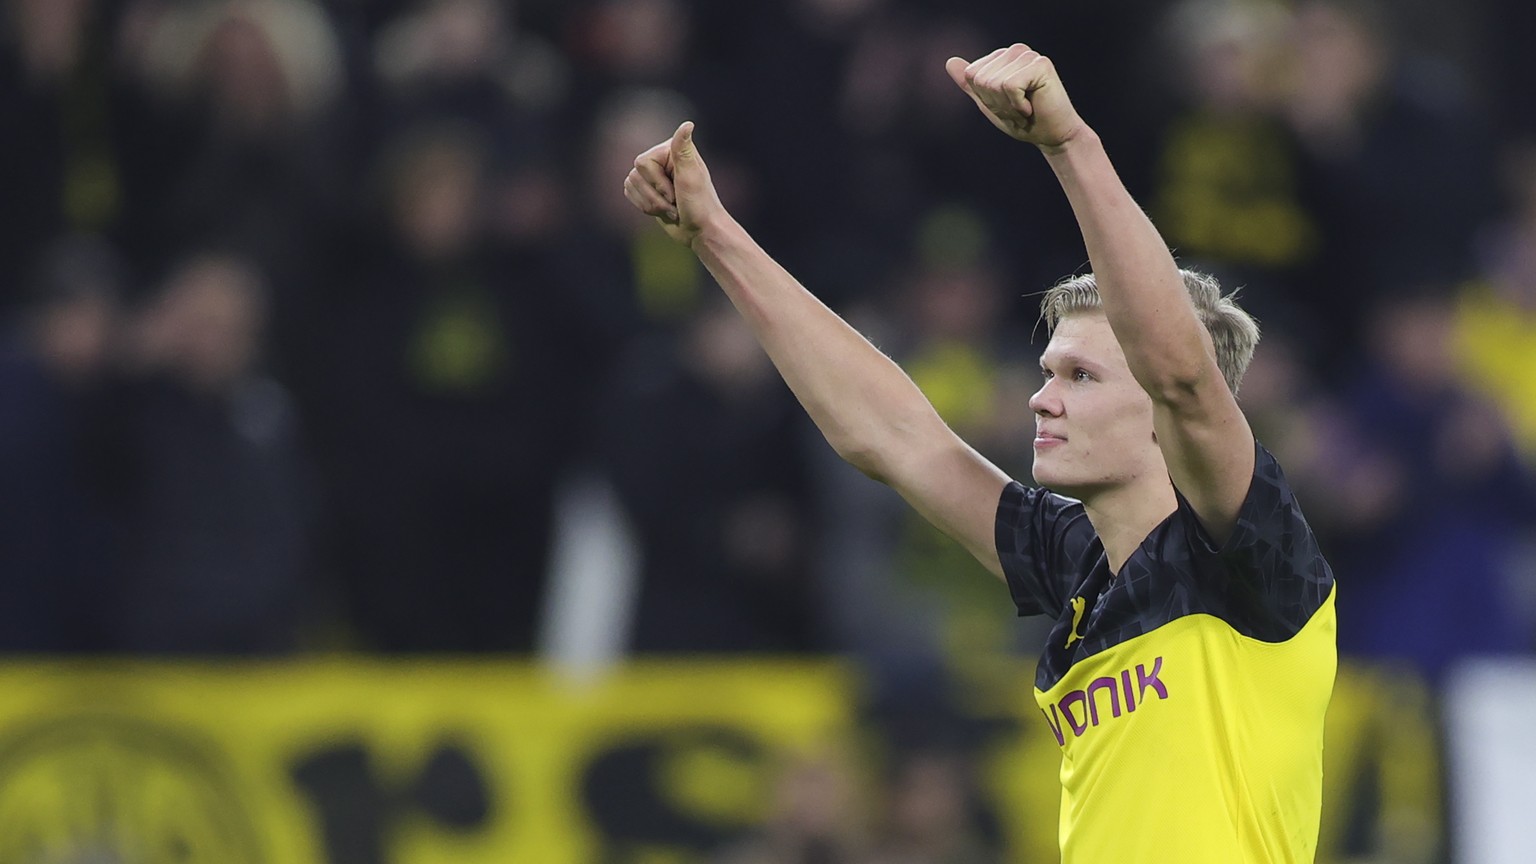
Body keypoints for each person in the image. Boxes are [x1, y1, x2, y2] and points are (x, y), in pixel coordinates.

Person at [623, 42, 1336, 864]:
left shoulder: (1251, 561)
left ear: (1158, 410)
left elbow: (1181, 375)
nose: (1041, 397)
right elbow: (896, 438)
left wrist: (1071, 147)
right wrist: (714, 234)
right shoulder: (1080, 567)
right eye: (1045, 372)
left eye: (1080, 375)